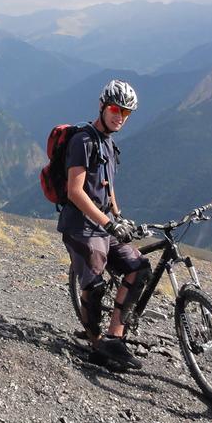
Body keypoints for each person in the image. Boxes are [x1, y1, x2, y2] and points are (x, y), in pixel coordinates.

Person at [58, 79, 150, 369]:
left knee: (139, 267)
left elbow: (106, 189)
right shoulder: (83, 141)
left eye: (126, 113)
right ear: (102, 106)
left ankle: (116, 338)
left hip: (104, 225)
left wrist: (119, 218)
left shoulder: (108, 143)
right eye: (115, 109)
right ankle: (97, 346)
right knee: (96, 285)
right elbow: (75, 191)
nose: (120, 116)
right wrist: (109, 225)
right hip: (80, 226)